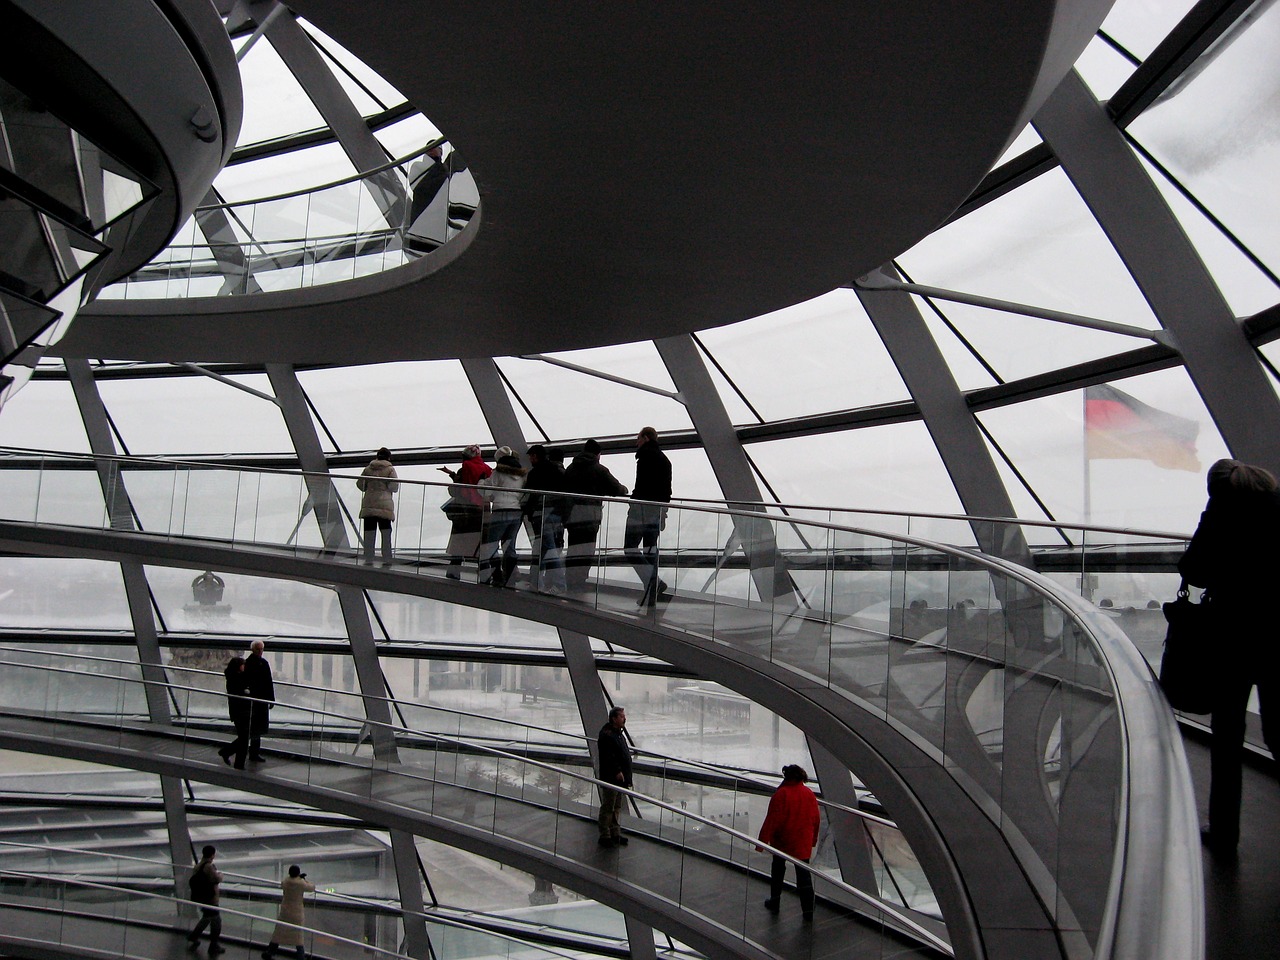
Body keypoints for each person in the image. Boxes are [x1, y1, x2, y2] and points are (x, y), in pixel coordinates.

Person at [1178, 458, 1280, 857]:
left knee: (1227, 736)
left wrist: (1208, 515)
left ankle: (1224, 831)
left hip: (1231, 637)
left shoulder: (1222, 513)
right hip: (1276, 638)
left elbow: (1194, 569)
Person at [756, 764, 821, 919]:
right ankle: (808, 910)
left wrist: (761, 843)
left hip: (783, 841)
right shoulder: (809, 794)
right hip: (802, 842)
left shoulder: (781, 794)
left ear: (787, 776)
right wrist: (813, 840)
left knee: (778, 870)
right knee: (804, 876)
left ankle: (775, 901)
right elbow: (816, 820)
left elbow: (772, 820)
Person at [563, 439, 627, 590]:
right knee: (587, 548)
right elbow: (616, 489)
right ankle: (580, 580)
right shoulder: (599, 470)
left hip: (572, 514)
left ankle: (569, 579)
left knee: (573, 547)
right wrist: (624, 490)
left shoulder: (571, 468)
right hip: (590, 515)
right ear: (598, 454)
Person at [625, 426, 672, 605]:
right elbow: (667, 491)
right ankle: (651, 595)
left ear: (645, 438)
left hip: (641, 511)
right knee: (650, 550)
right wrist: (663, 512)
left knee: (630, 548)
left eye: (638, 438)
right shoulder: (665, 460)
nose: (636, 442)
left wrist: (633, 504)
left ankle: (655, 583)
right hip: (656, 511)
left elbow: (641, 487)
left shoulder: (645, 457)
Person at [440, 445, 492, 579]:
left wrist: (453, 477)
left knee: (459, 541)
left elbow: (456, 489)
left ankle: (454, 571)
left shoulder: (465, 467)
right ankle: (484, 573)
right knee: (481, 544)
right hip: (483, 510)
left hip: (466, 510)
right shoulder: (486, 469)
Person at [478, 447, 527, 586]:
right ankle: (510, 578)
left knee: (491, 545)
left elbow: (485, 492)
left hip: (500, 510)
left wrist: (481, 481)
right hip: (516, 511)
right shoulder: (522, 475)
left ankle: (497, 576)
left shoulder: (498, 473)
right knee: (509, 546)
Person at [524, 444, 568, 593]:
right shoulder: (557, 471)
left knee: (548, 549)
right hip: (556, 515)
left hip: (541, 514)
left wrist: (528, 512)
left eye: (531, 456)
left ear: (535, 456)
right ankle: (536, 582)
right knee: (543, 549)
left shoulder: (535, 473)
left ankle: (559, 584)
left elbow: (531, 495)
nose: (530, 459)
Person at [596, 706, 633, 847]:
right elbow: (609, 756)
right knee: (609, 806)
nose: (624, 718)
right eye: (622, 716)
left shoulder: (617, 733)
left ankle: (614, 833)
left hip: (619, 778)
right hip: (612, 778)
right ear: (614, 718)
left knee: (616, 806)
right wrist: (618, 771)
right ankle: (605, 835)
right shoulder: (608, 735)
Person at [262, 864, 315, 960]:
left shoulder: (286, 881)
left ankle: (269, 952)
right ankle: (301, 957)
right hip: (297, 913)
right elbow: (312, 887)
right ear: (298, 873)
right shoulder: (301, 883)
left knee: (278, 933)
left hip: (285, 911)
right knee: (298, 937)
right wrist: (303, 879)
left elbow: (283, 883)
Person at [357, 447, 399, 565]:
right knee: (386, 533)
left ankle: (369, 557)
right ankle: (386, 558)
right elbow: (394, 487)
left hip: (369, 504)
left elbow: (360, 485)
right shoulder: (390, 470)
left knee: (369, 532)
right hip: (384, 505)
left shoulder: (367, 469)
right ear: (388, 457)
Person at [187, 844, 225, 954]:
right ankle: (213, 945)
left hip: (202, 897)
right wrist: (221, 875)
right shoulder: (209, 866)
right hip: (211, 899)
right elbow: (216, 878)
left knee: (207, 918)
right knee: (216, 921)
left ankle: (193, 936)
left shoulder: (198, 866)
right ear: (213, 855)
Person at [244, 640, 275, 763]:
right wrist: (271, 699)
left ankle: (253, 752)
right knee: (257, 728)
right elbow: (268, 682)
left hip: (257, 699)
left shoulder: (249, 663)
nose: (260, 651)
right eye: (258, 649)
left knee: (256, 728)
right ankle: (253, 753)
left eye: (261, 649)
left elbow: (268, 682)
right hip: (258, 700)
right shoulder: (261, 663)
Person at [218, 656, 250, 770]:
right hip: (240, 711)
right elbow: (239, 693)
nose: (244, 667)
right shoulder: (236, 679)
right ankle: (236, 761)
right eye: (243, 665)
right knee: (244, 737)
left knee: (244, 736)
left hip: (237, 711)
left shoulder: (232, 677)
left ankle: (229, 754)